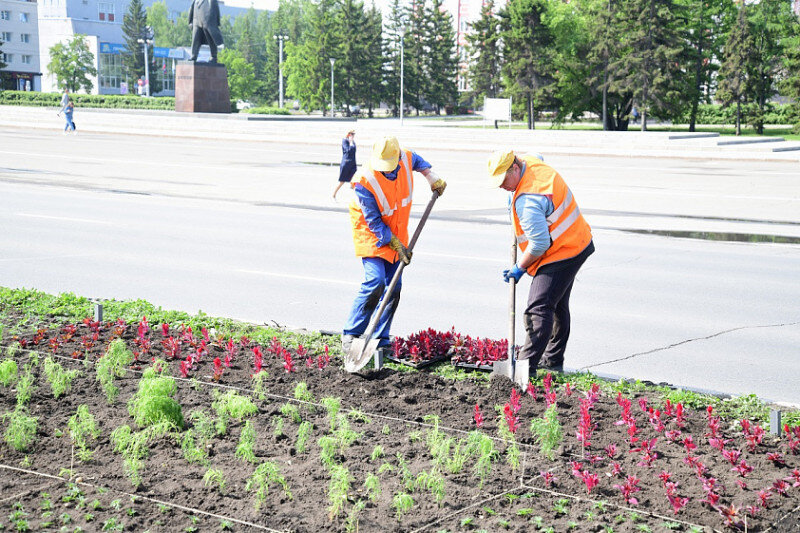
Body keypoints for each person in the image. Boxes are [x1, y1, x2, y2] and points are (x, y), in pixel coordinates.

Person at [487, 150, 594, 373]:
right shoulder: (531, 164)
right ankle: (553, 360)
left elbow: (539, 244)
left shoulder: (528, 201)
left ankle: (525, 369)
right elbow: (538, 156)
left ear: (515, 168)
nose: (501, 186)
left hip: (561, 252)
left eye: (504, 180)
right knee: (558, 304)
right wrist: (513, 189)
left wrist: (519, 268)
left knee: (539, 308)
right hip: (577, 241)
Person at [342, 136, 447, 356]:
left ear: (398, 157)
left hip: (397, 231)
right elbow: (374, 221)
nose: (385, 171)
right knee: (376, 281)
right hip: (372, 233)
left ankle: (380, 339)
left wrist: (430, 175)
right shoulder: (364, 180)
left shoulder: (406, 157)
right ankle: (351, 334)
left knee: (394, 287)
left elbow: (417, 160)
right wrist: (396, 244)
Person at [333, 130, 357, 200]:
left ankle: (357, 197)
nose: (353, 135)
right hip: (346, 163)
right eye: (351, 134)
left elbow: (354, 151)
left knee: (356, 179)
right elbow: (348, 150)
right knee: (342, 181)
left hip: (352, 163)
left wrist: (352, 142)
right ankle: (334, 193)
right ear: (348, 134)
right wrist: (351, 142)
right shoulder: (345, 141)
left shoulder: (353, 142)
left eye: (353, 134)